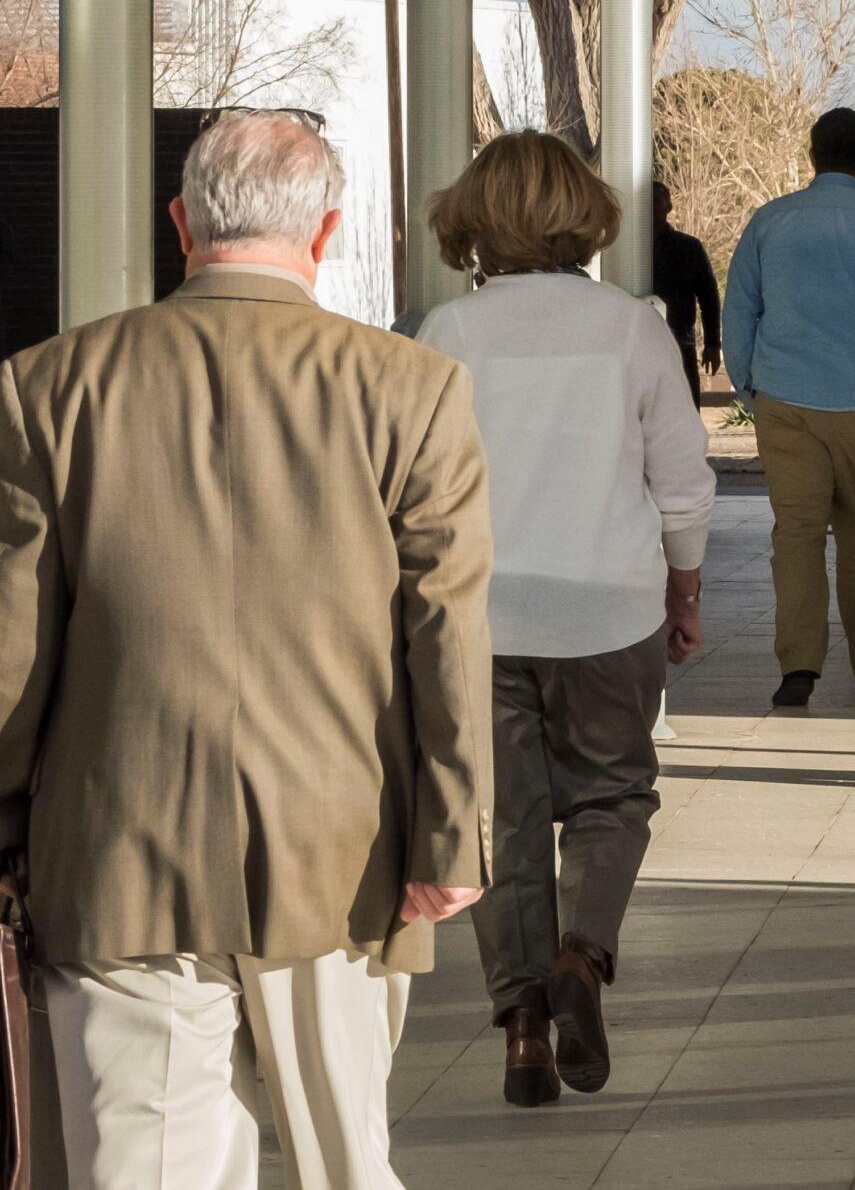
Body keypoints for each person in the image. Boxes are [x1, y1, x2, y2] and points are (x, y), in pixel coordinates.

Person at [0, 109, 492, 1188]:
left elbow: (13, 652)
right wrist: (453, 836)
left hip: (118, 855)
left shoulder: (48, 385)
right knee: (346, 1164)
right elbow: (446, 629)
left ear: (182, 223)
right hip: (344, 854)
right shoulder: (413, 389)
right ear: (326, 233)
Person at [416, 134, 716, 1109]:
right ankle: (582, 956)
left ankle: (523, 1031)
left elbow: (413, 488)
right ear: (583, 215)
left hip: (483, 616)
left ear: (474, 218)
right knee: (612, 795)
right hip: (609, 608)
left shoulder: (446, 334)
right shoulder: (632, 327)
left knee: (501, 821)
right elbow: (683, 485)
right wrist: (683, 593)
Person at [727, 109, 855, 708]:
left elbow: (739, 311)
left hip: (785, 400)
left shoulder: (769, 221)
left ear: (811, 155)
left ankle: (798, 665)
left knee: (796, 534)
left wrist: (750, 386)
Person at [651, 180, 722, 408]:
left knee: (686, 411)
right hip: (639, 345)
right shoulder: (625, 249)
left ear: (669, 206)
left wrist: (712, 344)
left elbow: (709, 298)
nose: (651, 207)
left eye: (656, 201)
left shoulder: (688, 248)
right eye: (646, 202)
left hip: (681, 343)